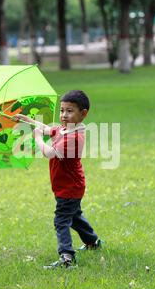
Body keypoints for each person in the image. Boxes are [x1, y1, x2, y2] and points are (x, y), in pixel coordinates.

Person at [13, 90, 102, 269]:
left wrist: (38, 138)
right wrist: (28, 121)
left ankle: (67, 258)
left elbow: (49, 153)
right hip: (66, 186)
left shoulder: (75, 137)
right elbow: (47, 129)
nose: (64, 115)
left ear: (83, 114)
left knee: (61, 220)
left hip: (69, 187)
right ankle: (93, 242)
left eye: (70, 111)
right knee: (74, 216)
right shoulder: (65, 129)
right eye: (62, 111)